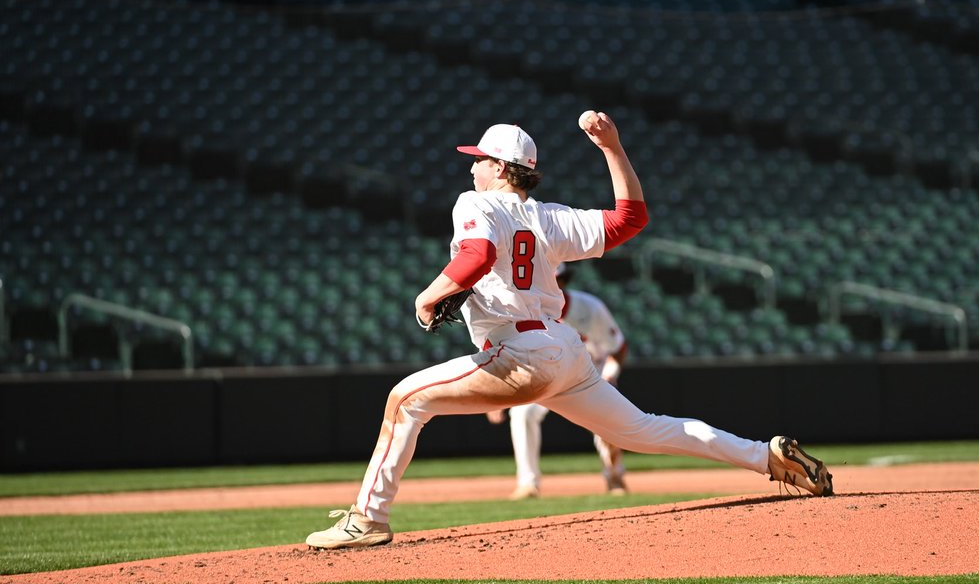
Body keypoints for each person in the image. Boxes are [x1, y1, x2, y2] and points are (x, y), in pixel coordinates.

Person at [305, 112, 833, 550]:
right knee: (644, 430)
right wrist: (613, 148)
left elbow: (479, 253)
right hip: (562, 348)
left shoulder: (477, 203)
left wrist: (430, 294)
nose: (472, 171)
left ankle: (367, 520)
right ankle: (766, 456)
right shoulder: (550, 218)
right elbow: (630, 219)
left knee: (404, 401)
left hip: (521, 350)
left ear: (499, 167)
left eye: (479, 161)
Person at [486, 262, 630, 499]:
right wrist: (498, 396)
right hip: (547, 375)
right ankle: (528, 483)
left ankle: (614, 475)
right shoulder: (524, 310)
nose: (551, 284)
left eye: (556, 279)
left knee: (607, 428)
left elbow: (618, 348)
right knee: (523, 414)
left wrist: (610, 375)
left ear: (563, 281)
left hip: (589, 375)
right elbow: (510, 353)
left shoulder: (589, 307)